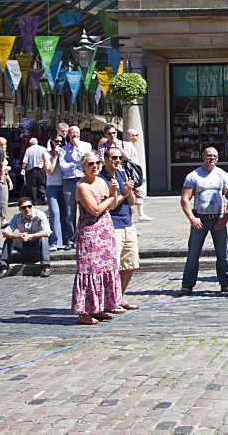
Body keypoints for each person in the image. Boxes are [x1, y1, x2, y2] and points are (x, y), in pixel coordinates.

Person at [72, 152, 128, 325]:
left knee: (106, 268)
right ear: (83, 166)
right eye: (90, 164)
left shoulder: (101, 182)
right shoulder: (82, 187)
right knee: (89, 270)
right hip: (89, 232)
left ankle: (100, 307)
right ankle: (85, 312)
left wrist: (114, 194)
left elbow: (110, 207)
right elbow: (95, 210)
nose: (94, 166)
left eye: (97, 163)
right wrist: (112, 195)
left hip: (105, 230)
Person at [178, 146, 228, 297]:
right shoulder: (193, 176)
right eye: (209, 156)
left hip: (218, 219)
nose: (211, 158)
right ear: (203, 156)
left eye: (214, 156)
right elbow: (184, 199)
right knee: (193, 254)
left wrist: (225, 218)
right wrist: (192, 218)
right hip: (200, 219)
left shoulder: (223, 175)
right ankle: (187, 285)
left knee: (222, 254)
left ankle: (226, 283)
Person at [99, 147, 139, 310]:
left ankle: (119, 297)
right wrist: (123, 192)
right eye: (114, 158)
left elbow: (132, 201)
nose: (118, 161)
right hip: (112, 225)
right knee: (113, 266)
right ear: (106, 159)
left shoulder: (122, 174)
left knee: (129, 263)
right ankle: (110, 299)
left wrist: (128, 191)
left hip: (127, 223)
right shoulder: (101, 178)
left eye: (119, 158)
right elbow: (111, 205)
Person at [0, 197, 51, 279]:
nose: (27, 209)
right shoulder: (16, 217)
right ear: (20, 210)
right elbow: (5, 233)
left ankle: (46, 267)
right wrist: (17, 236)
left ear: (33, 206)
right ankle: (4, 268)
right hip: (24, 245)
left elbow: (47, 232)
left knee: (43, 239)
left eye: (29, 206)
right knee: (9, 239)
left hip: (38, 245)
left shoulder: (40, 215)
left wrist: (30, 236)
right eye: (24, 208)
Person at [59, 126, 92, 250]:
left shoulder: (86, 146)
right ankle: (71, 239)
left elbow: (85, 161)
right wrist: (76, 164)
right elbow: (63, 166)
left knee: (86, 209)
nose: (75, 135)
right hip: (69, 182)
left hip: (83, 180)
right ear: (68, 134)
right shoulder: (64, 149)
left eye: (77, 133)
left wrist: (77, 149)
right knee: (69, 211)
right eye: (72, 133)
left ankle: (84, 237)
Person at [43, 135, 65, 251]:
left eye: (61, 142)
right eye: (57, 141)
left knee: (66, 214)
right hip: (52, 185)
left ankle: (65, 240)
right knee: (54, 213)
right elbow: (50, 171)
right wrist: (56, 157)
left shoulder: (65, 152)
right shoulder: (46, 154)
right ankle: (55, 242)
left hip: (64, 185)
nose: (59, 144)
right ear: (52, 141)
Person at [20, 137, 48, 205]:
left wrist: (23, 168)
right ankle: (44, 198)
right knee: (42, 184)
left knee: (32, 186)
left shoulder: (29, 150)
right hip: (42, 169)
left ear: (30, 143)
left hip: (32, 170)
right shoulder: (44, 149)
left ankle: (34, 201)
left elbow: (25, 161)